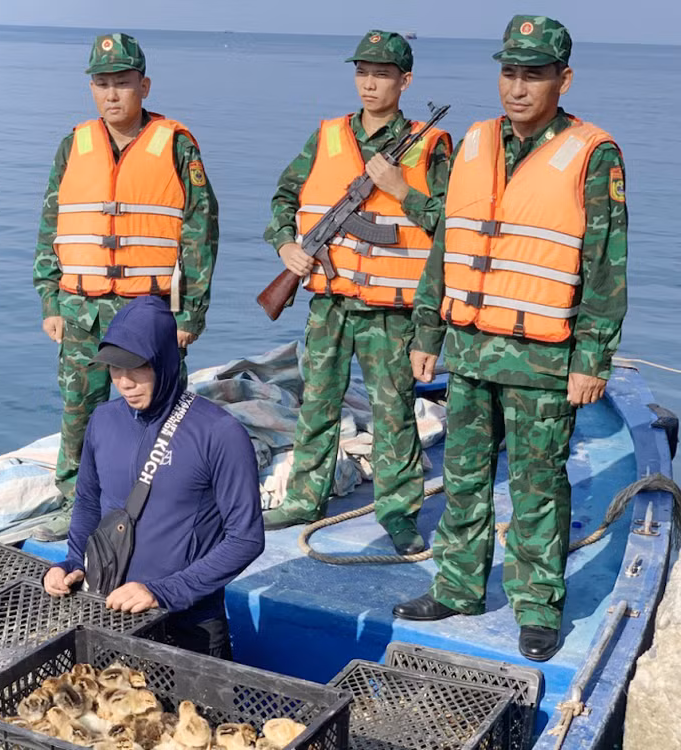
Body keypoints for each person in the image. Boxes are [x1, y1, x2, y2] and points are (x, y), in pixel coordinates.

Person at [394, 16, 628, 662]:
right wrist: (427, 329)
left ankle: (536, 604)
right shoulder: (474, 143)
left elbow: (606, 268)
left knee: (536, 484)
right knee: (464, 476)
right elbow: (446, 243)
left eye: (533, 74)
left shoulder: (592, 154)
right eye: (509, 72)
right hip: (470, 352)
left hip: (543, 360)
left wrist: (593, 358)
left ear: (563, 79)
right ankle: (460, 586)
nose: (517, 87)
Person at [260, 31, 451, 555]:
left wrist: (400, 190)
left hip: (391, 312)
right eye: (363, 71)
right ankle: (305, 498)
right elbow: (282, 197)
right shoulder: (326, 137)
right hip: (329, 303)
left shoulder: (428, 146)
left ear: (404, 81)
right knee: (317, 404)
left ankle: (399, 513)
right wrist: (286, 249)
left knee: (395, 415)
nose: (370, 83)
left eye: (383, 74)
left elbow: (451, 226)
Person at [33, 33, 219, 541]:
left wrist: (189, 317)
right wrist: (50, 298)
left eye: (122, 83)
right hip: (79, 308)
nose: (112, 94)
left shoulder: (177, 145)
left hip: (147, 311)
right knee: (79, 414)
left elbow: (201, 233)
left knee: (156, 413)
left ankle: (157, 509)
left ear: (144, 85)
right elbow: (51, 224)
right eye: (102, 84)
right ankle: (75, 506)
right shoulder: (74, 144)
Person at [42, 296, 265, 658]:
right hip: (111, 611)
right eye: (115, 369)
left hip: (188, 625)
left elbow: (246, 539)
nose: (125, 382)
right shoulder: (103, 420)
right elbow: (87, 502)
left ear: (165, 361)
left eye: (137, 368)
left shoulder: (220, 433)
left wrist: (164, 592)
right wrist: (71, 562)